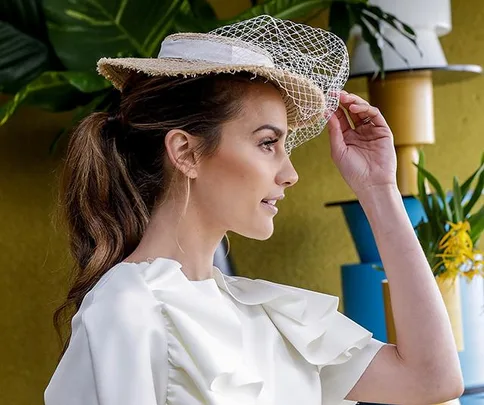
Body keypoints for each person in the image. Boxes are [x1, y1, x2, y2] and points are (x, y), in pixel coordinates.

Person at [44, 15, 463, 405]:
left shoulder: (270, 314)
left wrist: (379, 188)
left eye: (285, 145)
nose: (290, 173)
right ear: (186, 152)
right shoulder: (127, 308)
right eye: (267, 143)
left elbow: (433, 380)